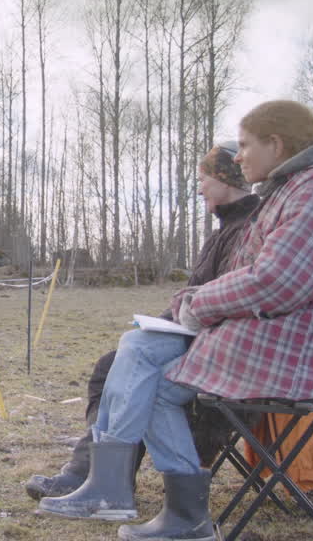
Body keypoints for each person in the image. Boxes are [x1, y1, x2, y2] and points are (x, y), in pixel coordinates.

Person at [38, 100, 313, 541]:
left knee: (145, 369)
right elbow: (250, 273)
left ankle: (149, 501)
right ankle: (151, 502)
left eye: (245, 145)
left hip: (290, 357)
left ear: (276, 144)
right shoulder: (301, 188)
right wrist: (194, 299)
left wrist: (199, 305)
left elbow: (274, 281)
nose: (238, 158)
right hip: (268, 341)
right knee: (138, 350)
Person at [27, 142, 259, 502]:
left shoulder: (248, 231)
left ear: (224, 179)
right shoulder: (225, 229)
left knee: (127, 364)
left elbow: (224, 301)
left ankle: (99, 479)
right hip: (202, 339)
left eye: (203, 179)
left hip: (223, 353)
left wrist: (167, 326)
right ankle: (96, 476)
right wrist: (157, 324)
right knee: (117, 359)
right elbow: (196, 296)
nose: (199, 189)